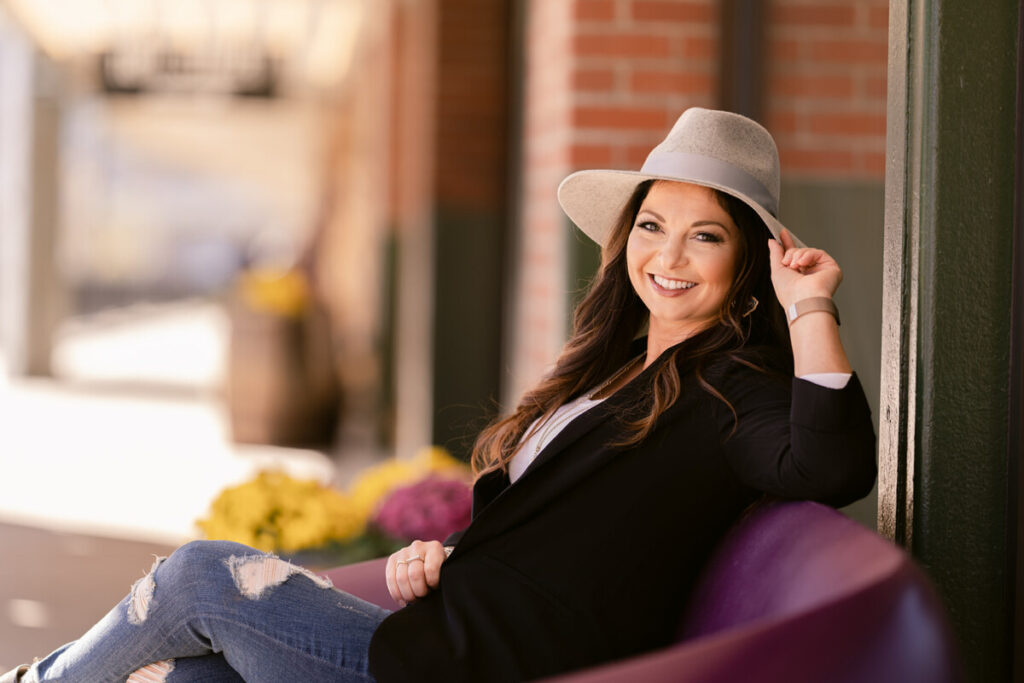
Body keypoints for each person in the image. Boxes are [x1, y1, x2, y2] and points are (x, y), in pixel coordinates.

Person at [2, 108, 876, 683]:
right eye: (652, 225)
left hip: (485, 667)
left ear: (745, 263)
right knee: (203, 673)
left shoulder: (733, 386)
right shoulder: (613, 369)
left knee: (199, 578)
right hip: (453, 632)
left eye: (705, 236)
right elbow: (569, 528)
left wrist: (809, 307)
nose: (669, 256)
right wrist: (452, 550)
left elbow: (832, 464)